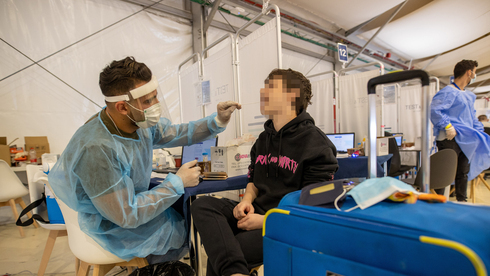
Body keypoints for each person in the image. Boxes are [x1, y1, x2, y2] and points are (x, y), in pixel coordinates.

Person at [48, 57, 241, 262]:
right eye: (148, 101)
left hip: (127, 210)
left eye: (156, 97)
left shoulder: (137, 122)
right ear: (122, 107)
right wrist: (177, 182)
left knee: (191, 214)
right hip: (113, 226)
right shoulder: (97, 149)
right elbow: (126, 214)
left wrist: (217, 121)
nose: (156, 105)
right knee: (187, 226)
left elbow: (175, 133)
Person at [191, 68, 339, 276]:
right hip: (257, 211)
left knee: (226, 251)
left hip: (288, 222)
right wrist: (247, 201)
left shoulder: (316, 144)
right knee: (202, 205)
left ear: (292, 95)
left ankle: (234, 271)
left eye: (271, 87)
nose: (262, 91)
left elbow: (313, 209)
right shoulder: (263, 139)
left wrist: (266, 220)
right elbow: (253, 181)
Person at [430, 59, 490, 201]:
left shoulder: (468, 95)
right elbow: (434, 110)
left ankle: (462, 201)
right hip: (450, 138)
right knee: (444, 173)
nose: (474, 75)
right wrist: (448, 126)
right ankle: (436, 202)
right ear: (469, 73)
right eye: (474, 72)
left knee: (462, 173)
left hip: (466, 140)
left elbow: (471, 117)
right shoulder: (448, 92)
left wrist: (479, 131)